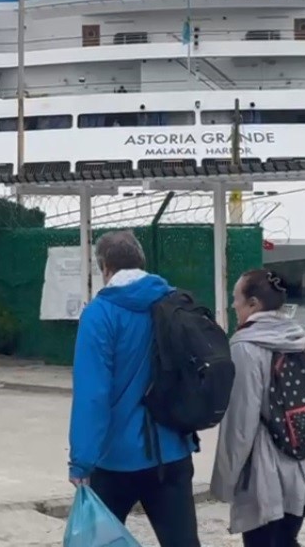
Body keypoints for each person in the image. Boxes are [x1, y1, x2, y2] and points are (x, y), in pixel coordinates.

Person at [68, 230, 201, 547]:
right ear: (142, 262)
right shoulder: (174, 304)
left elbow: (92, 394)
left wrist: (81, 461)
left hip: (115, 459)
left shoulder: (99, 315)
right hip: (172, 452)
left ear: (105, 267)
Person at [210, 270, 305, 547]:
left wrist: (225, 481)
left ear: (253, 304)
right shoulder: (301, 339)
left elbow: (240, 425)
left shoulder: (245, 347)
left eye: (236, 299)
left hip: (269, 472)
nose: (233, 305)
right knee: (286, 538)